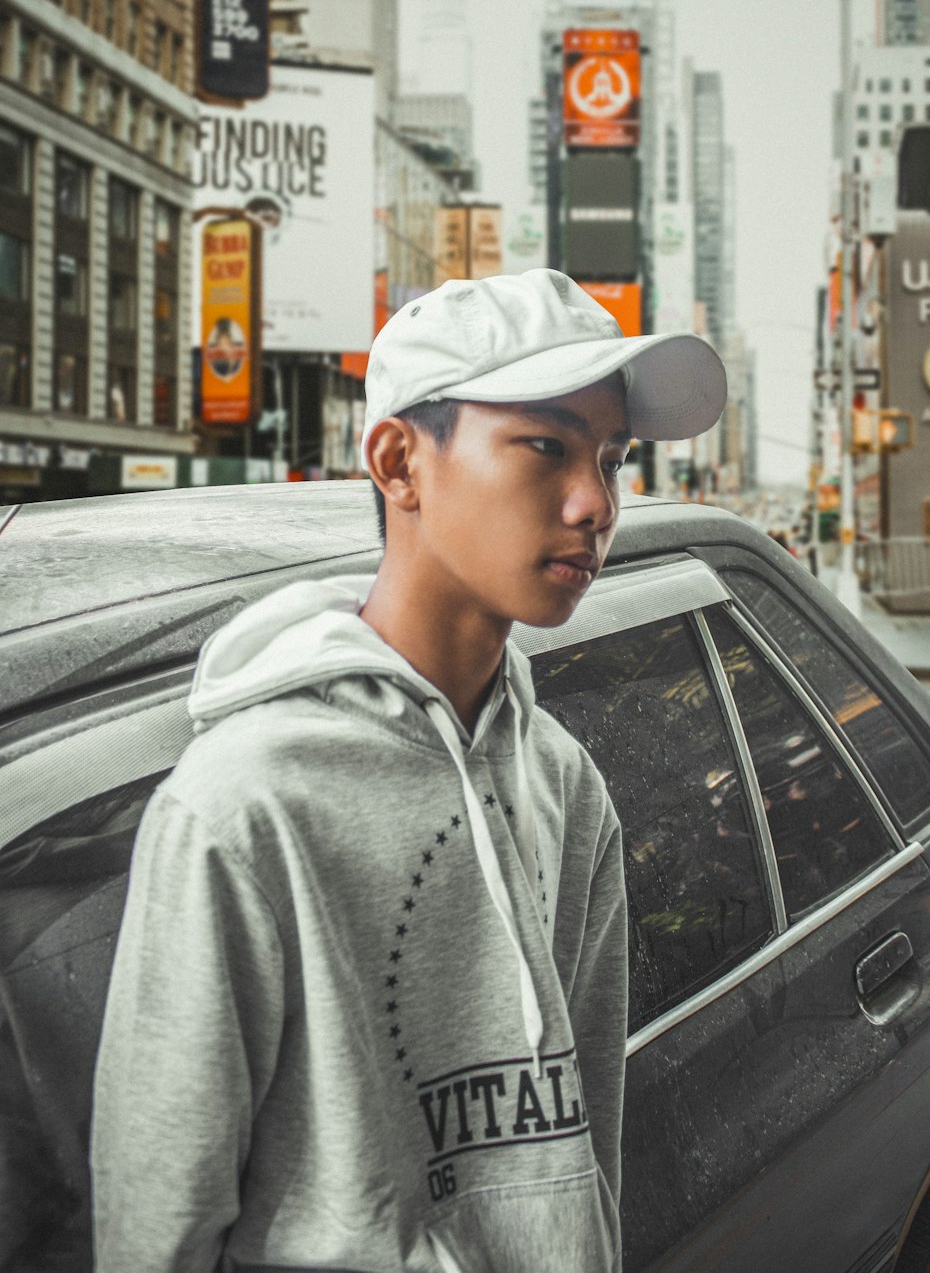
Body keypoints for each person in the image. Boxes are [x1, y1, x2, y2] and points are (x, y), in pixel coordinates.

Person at [90, 268, 726, 1273]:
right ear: (399, 461)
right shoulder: (243, 803)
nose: (594, 501)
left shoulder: (563, 783)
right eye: (546, 447)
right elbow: (155, 1220)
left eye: (611, 458)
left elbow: (581, 1145)